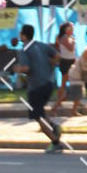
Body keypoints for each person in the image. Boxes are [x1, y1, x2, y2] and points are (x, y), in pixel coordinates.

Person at [14, 24, 63, 154]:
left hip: (35, 86)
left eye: (20, 33)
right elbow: (57, 55)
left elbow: (26, 68)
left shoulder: (24, 50)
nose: (19, 35)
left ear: (24, 36)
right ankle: (54, 126)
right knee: (40, 111)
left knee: (38, 116)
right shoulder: (42, 45)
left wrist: (17, 69)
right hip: (48, 84)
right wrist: (51, 65)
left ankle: (55, 142)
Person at [49, 22, 76, 115]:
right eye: (70, 28)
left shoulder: (69, 37)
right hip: (66, 62)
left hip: (70, 60)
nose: (72, 30)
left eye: (72, 28)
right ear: (66, 29)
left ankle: (73, 101)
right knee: (65, 83)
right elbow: (70, 48)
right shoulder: (64, 38)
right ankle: (58, 101)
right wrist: (73, 42)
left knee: (71, 82)